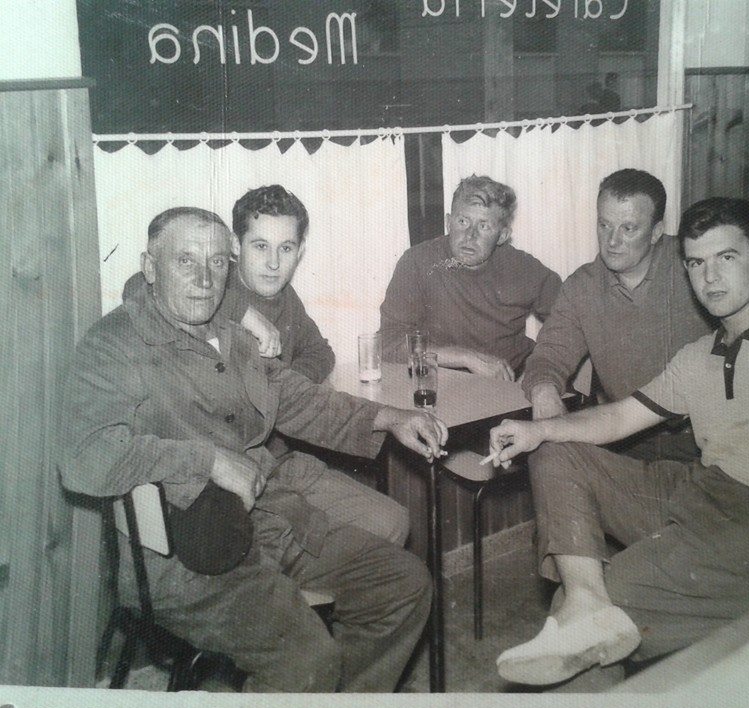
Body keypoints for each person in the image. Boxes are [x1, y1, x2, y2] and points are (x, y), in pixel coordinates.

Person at [487, 197, 749, 686]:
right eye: (697, 263)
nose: (710, 278)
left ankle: (587, 606)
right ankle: (585, 599)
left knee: (601, 610)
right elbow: (619, 418)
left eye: (727, 258)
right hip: (705, 490)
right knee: (555, 452)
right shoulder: (700, 354)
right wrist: (537, 429)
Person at [60, 207, 448, 692]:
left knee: (403, 584)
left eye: (218, 262)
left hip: (271, 523)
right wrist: (208, 461)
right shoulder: (114, 344)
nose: (205, 280)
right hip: (188, 559)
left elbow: (299, 398)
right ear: (150, 266)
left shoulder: (232, 336)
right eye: (185, 261)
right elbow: (84, 457)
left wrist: (389, 418)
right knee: (306, 660)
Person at [124, 185, 410, 544]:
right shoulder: (208, 291)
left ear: (300, 252)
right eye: (260, 246)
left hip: (281, 461)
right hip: (225, 475)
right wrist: (243, 312)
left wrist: (278, 391)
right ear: (234, 248)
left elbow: (321, 353)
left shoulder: (285, 296)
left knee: (393, 521)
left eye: (285, 248)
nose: (274, 263)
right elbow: (140, 287)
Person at [522, 169, 712, 462]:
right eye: (604, 225)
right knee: (549, 460)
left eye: (628, 228)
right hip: (621, 439)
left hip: (701, 440)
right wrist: (544, 392)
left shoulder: (695, 266)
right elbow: (549, 355)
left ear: (657, 232)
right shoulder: (582, 286)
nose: (612, 241)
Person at [379, 174, 561, 381]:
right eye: (463, 221)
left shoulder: (525, 269)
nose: (470, 236)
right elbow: (387, 343)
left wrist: (541, 373)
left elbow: (572, 323)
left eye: (484, 226)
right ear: (449, 222)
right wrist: (465, 357)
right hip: (443, 383)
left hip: (508, 384)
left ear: (502, 235)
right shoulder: (418, 262)